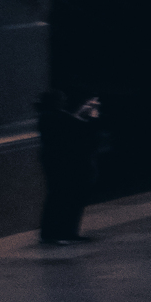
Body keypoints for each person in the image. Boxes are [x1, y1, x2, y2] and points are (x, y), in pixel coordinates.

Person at [35, 90, 99, 247]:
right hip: (63, 163)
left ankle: (63, 232)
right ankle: (59, 233)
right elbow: (74, 128)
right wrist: (90, 115)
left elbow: (72, 125)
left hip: (59, 162)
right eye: (61, 98)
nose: (64, 101)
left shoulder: (50, 116)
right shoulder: (52, 117)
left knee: (62, 197)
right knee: (63, 197)